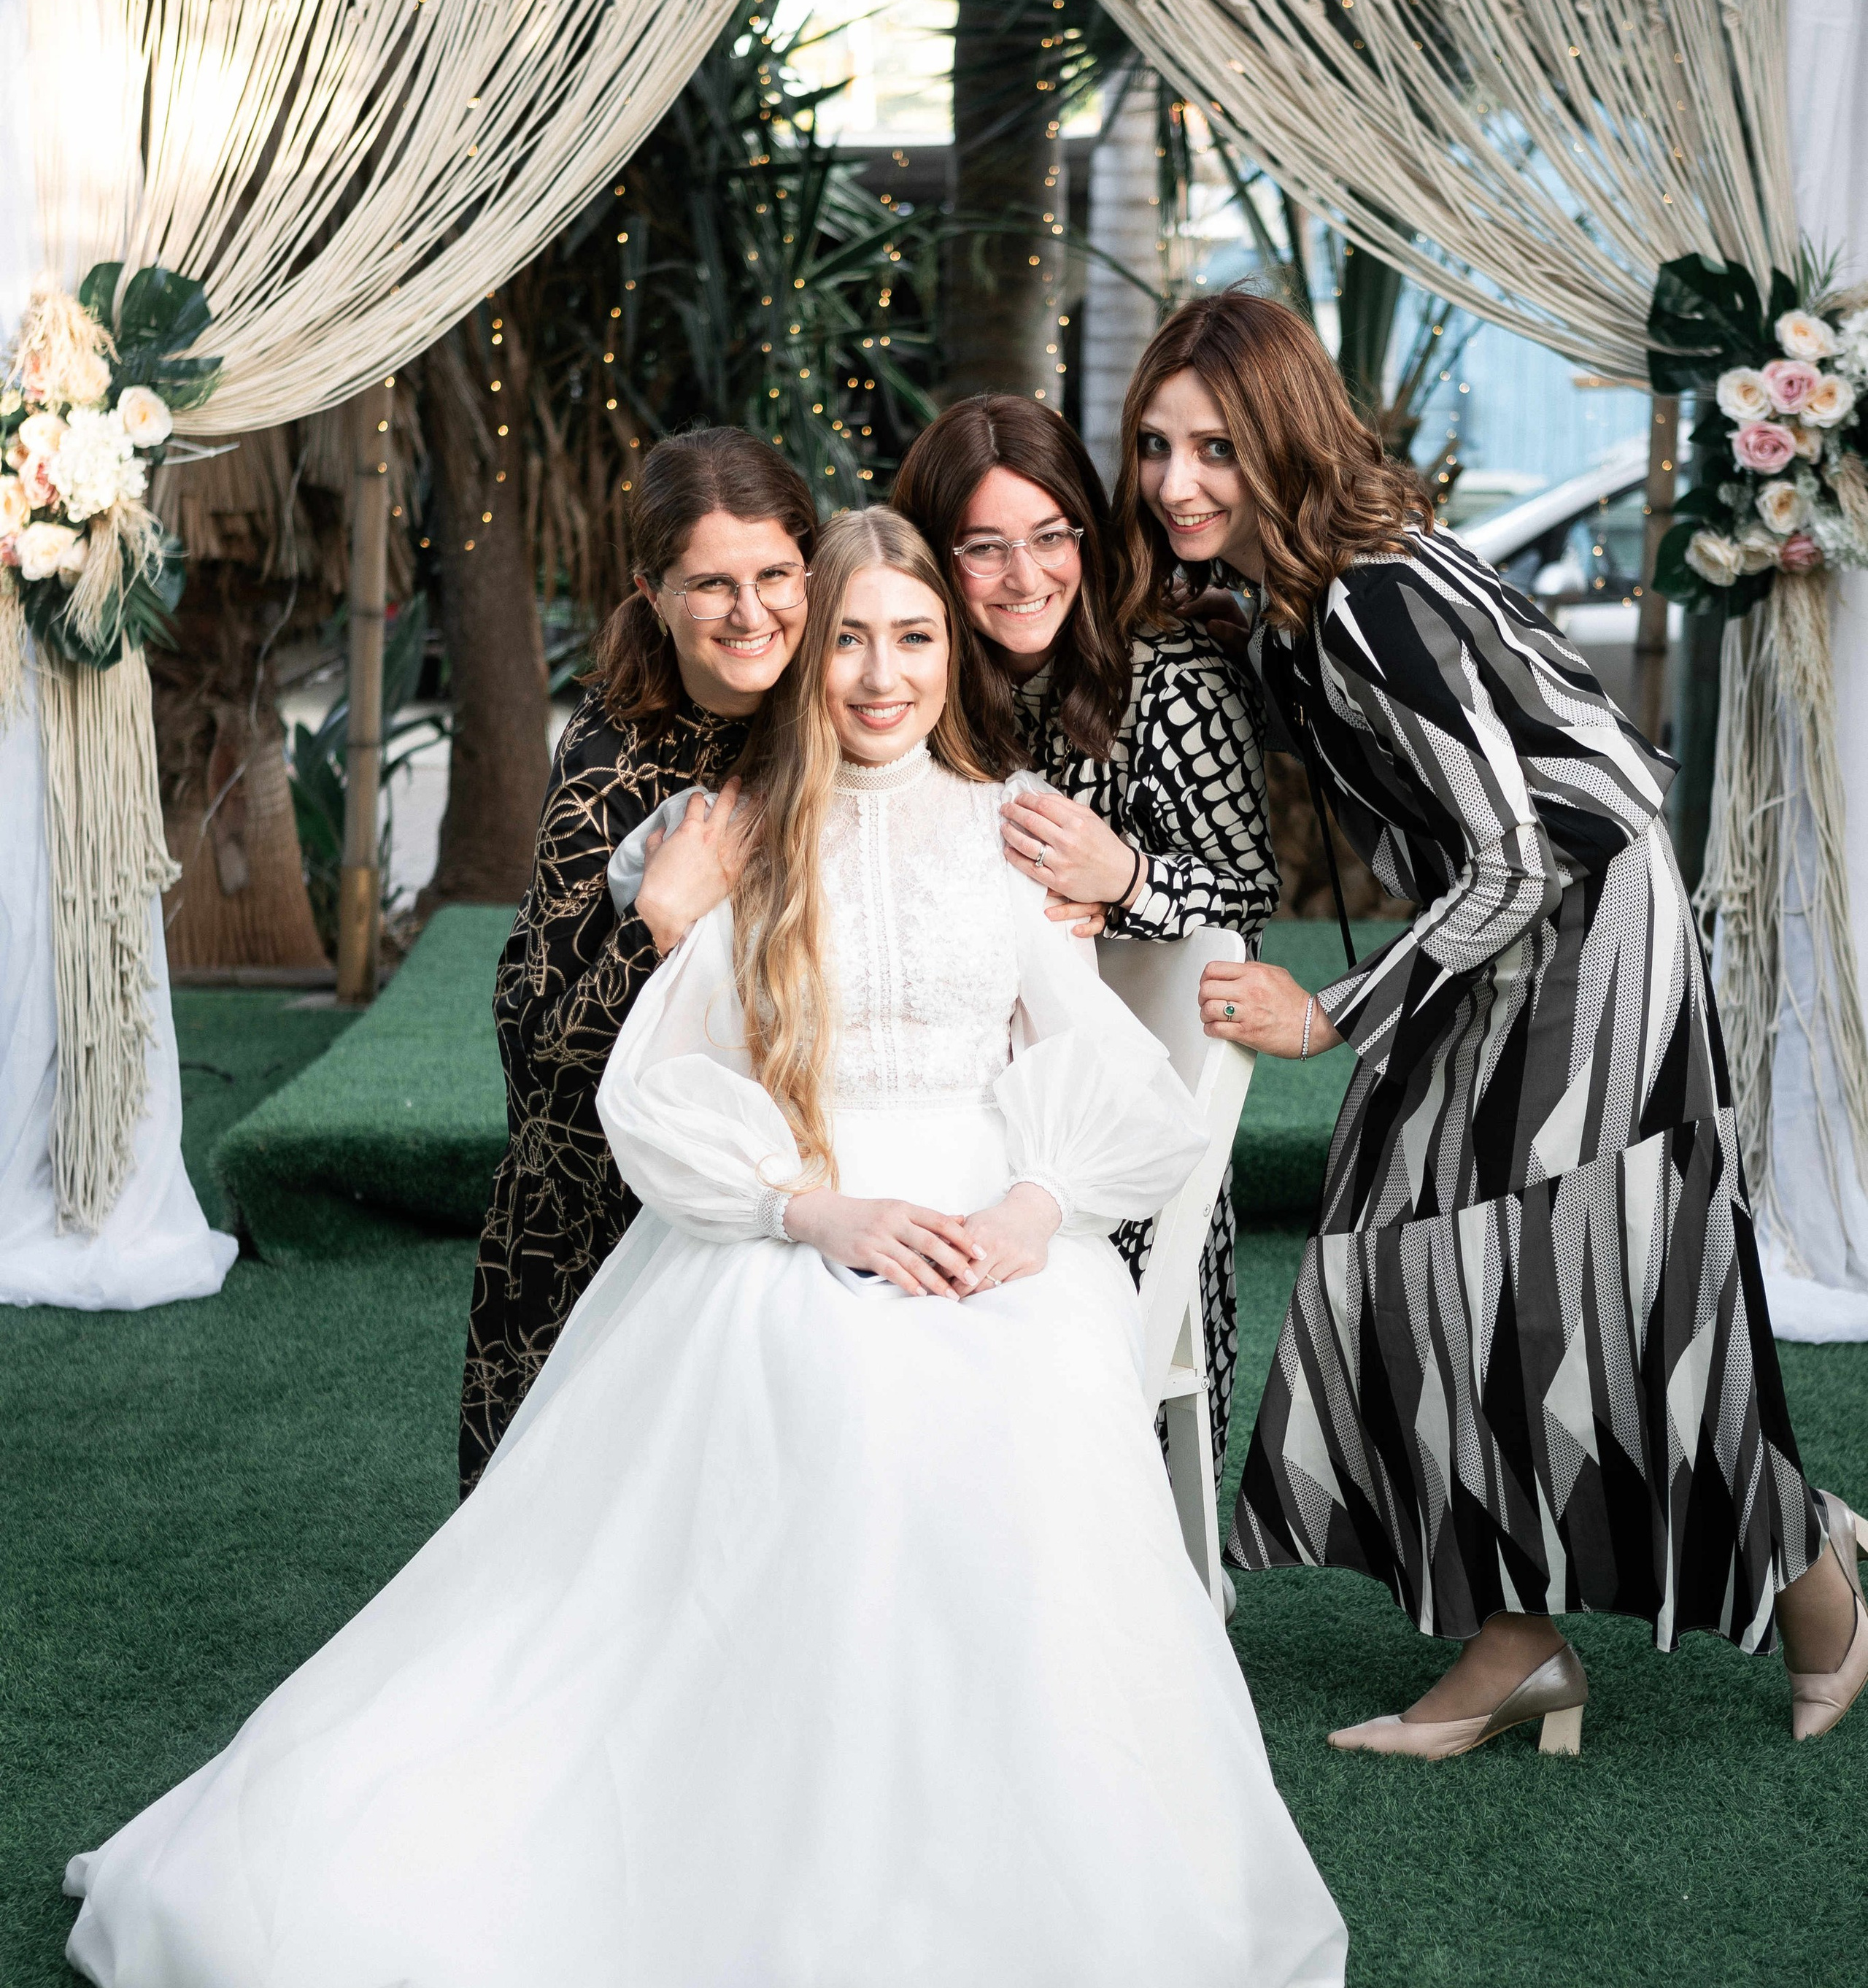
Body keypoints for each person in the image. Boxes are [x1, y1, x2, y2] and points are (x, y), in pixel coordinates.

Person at [63, 506, 1346, 1988]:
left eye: (915, 640)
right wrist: (815, 1214)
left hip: (990, 1229)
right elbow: (658, 1086)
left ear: (948, 660)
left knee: (1003, 1390)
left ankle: (988, 1894)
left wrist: (1028, 1221)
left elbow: (1099, 1073)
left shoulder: (1006, 829)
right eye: (853, 640)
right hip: (791, 1213)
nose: (880, 674)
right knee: (809, 1371)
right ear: (811, 660)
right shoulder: (751, 830)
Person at [1122, 289, 1868, 1755]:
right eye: (1153, 446)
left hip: (1584, 930)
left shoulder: (1361, 601)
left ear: (1281, 440)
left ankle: (1797, 1578)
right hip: (1523, 924)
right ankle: (1535, 1634)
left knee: (1568, 1275)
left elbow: (1518, 852)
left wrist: (1328, 1013)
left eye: (1213, 447)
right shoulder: (1314, 586)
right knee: (1456, 1264)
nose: (1172, 482)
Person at [894, 394, 1279, 1480]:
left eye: (1052, 537)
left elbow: (1247, 901)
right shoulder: (916, 682)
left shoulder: (1172, 683)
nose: (1028, 577)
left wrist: (1131, 881)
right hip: (954, 1079)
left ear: (1087, 537)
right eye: (985, 549)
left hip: (1115, 1115)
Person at [458, 427, 815, 1495]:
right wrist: (655, 923)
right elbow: (535, 1045)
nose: (752, 614)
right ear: (653, 590)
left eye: (775, 576)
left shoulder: (855, 710)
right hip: (605, 1200)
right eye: (712, 584)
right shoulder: (615, 748)